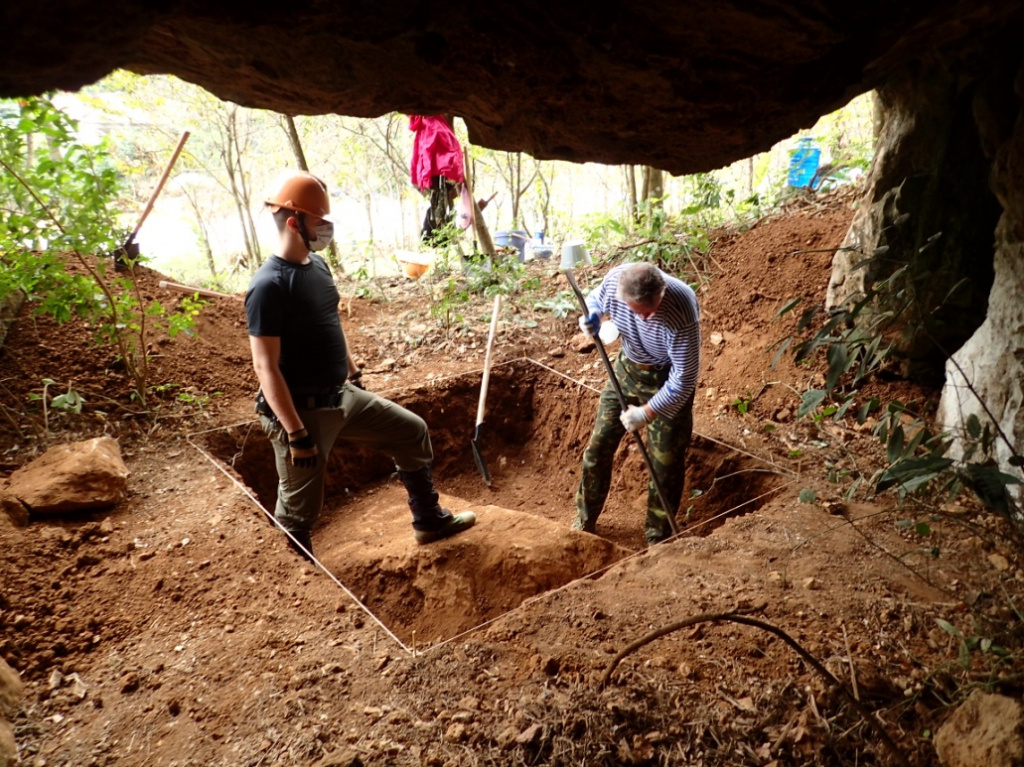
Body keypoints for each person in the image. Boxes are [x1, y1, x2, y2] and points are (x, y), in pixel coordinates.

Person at [245, 170, 476, 560]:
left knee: (411, 432)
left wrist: (353, 373)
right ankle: (304, 585)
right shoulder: (268, 285)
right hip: (302, 413)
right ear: (293, 221)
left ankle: (428, 521)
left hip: (342, 395)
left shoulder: (317, 267)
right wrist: (297, 435)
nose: (326, 229)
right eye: (320, 221)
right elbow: (265, 367)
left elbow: (329, 321)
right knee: (299, 511)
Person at [573, 262, 701, 545]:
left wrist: (647, 412)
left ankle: (658, 537)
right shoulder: (614, 283)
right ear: (622, 298)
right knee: (598, 446)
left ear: (663, 290)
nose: (647, 317)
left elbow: (685, 377)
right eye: (638, 311)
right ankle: (584, 519)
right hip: (628, 370)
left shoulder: (682, 305)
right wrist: (592, 314)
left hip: (666, 378)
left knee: (665, 463)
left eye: (653, 309)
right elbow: (593, 298)